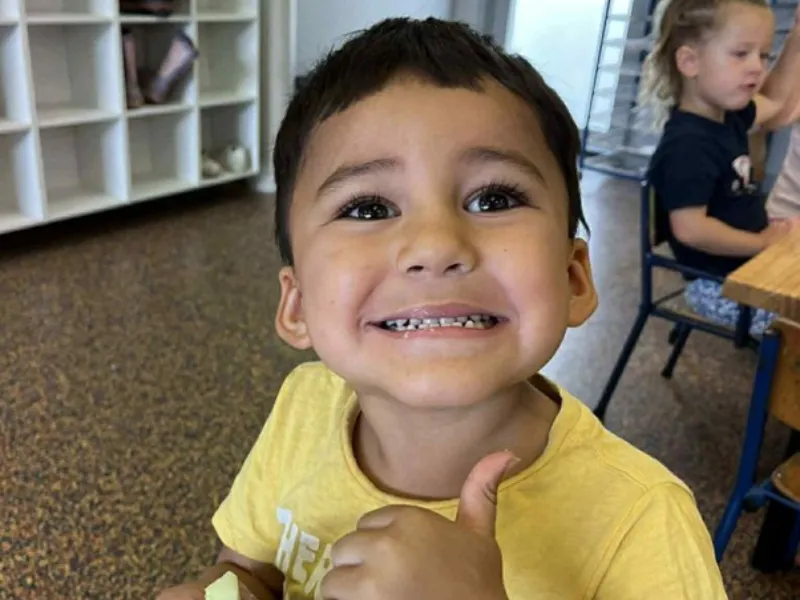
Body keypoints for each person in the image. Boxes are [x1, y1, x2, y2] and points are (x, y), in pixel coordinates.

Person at [156, 18, 727, 600]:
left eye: (493, 198)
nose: (435, 245)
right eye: (369, 208)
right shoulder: (305, 407)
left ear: (573, 278)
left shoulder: (642, 521)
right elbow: (249, 570)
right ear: (297, 304)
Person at [643, 0, 800, 336]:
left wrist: (797, 36)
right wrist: (761, 244)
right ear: (690, 62)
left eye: (764, 55)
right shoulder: (687, 145)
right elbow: (690, 229)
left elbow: (776, 103)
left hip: (746, 268)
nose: (757, 68)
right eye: (741, 54)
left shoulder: (727, 118)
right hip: (717, 287)